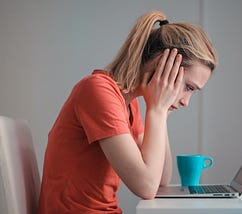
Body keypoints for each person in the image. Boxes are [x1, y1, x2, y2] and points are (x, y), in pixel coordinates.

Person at [38, 10, 217, 213]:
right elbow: (146, 186)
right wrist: (157, 110)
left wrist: (161, 112)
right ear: (163, 66)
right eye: (189, 88)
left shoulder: (129, 103)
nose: (186, 102)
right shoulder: (98, 91)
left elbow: (160, 180)